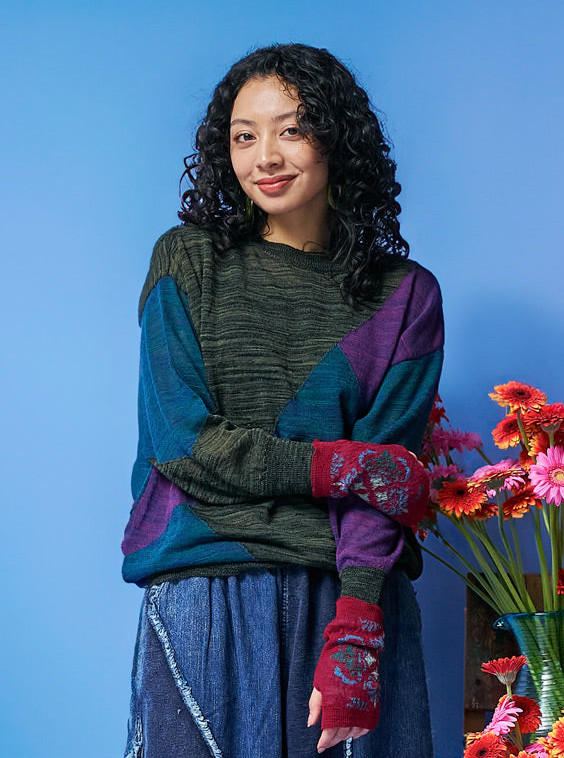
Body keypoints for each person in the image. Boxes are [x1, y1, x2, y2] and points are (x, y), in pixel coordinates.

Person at [121, 43, 444, 758]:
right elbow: (182, 443)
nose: (265, 156)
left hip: (347, 596)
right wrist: (340, 467)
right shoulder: (188, 261)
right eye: (244, 136)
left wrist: (357, 629)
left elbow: (387, 480)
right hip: (205, 587)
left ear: (337, 140)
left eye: (291, 130)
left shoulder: (405, 296)